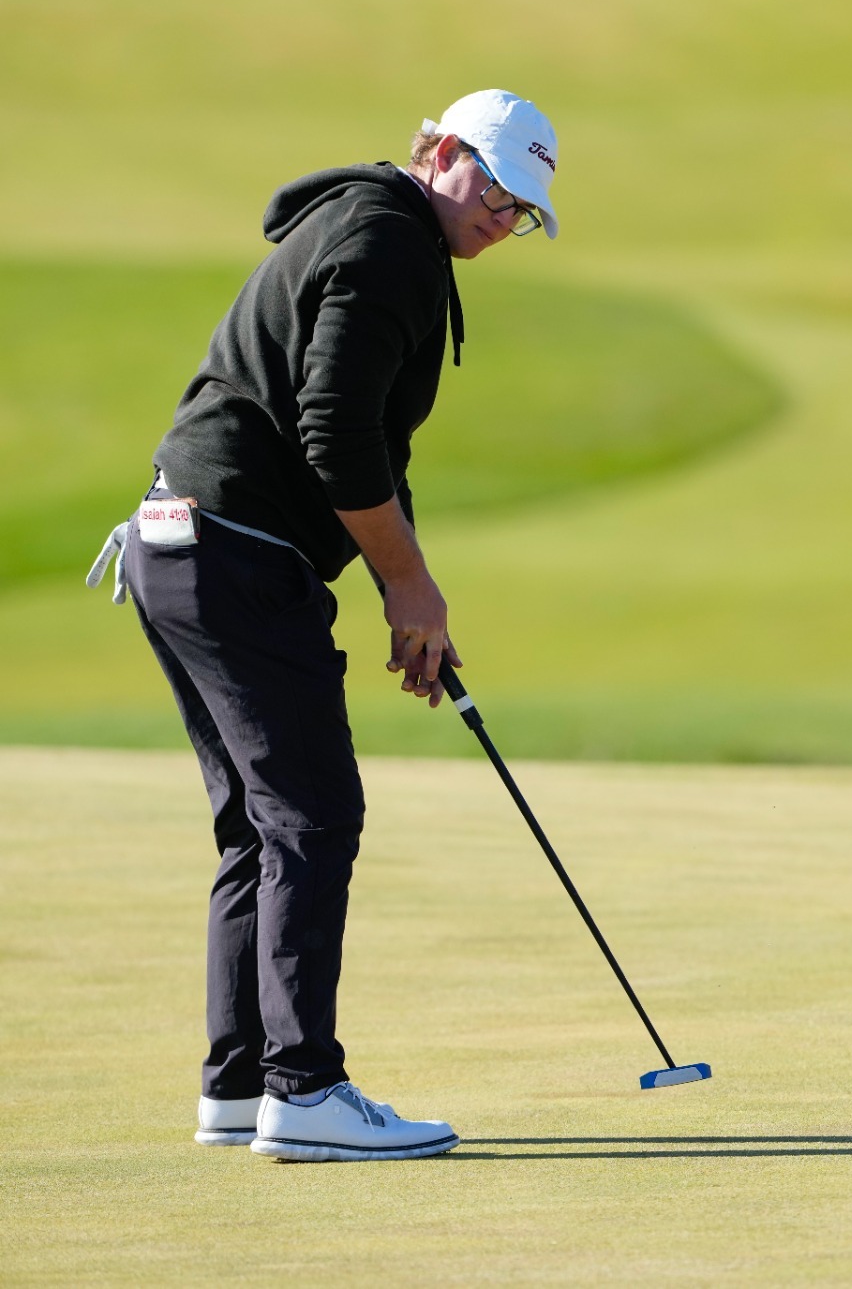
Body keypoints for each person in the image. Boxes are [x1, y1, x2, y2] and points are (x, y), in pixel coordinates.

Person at [86, 89, 560, 1162]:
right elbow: (336, 437)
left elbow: (367, 451)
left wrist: (412, 589)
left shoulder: (371, 229)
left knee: (261, 824)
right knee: (311, 814)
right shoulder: (387, 238)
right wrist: (406, 587)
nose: (500, 217)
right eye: (492, 187)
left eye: (521, 209)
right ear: (440, 153)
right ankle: (303, 1089)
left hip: (183, 547)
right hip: (234, 553)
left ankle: (242, 1084)